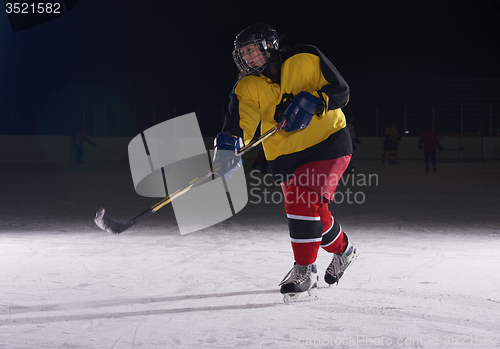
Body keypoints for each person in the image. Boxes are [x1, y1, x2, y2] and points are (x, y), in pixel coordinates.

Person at [213, 23, 358, 301]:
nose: (248, 58)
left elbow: (341, 91)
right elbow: (239, 125)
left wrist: (315, 100)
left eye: (252, 50)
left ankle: (305, 270)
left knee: (301, 203)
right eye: (243, 54)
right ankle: (345, 251)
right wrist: (229, 145)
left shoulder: (307, 57)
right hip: (285, 158)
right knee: (315, 214)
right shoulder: (246, 87)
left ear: (270, 45)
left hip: (328, 144)